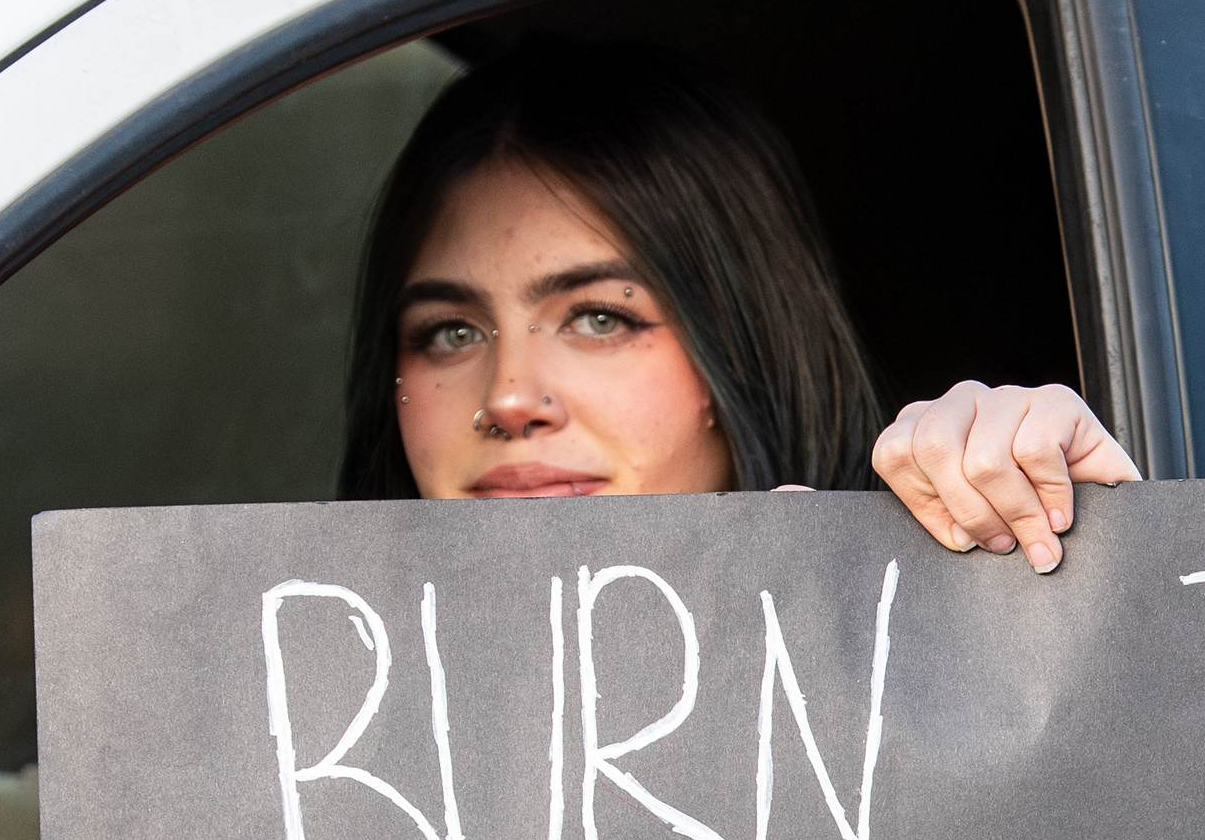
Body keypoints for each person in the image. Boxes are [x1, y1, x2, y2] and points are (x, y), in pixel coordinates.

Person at [339, 41, 1137, 572]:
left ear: (742, 346)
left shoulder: (912, 671)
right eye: (448, 333)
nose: (509, 399)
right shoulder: (278, 731)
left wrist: (1085, 542)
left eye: (599, 318)